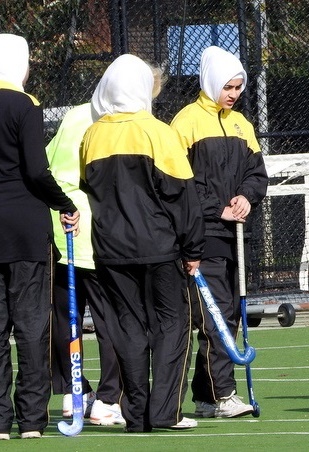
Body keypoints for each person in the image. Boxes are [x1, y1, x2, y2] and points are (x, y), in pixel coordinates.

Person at [0, 33, 79, 440]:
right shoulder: (24, 104)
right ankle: (32, 422)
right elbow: (37, 170)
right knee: (31, 325)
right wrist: (64, 205)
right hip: (25, 228)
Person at [79, 53, 205, 432]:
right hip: (159, 247)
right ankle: (165, 412)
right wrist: (193, 249)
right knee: (173, 323)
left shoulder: (93, 134)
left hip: (111, 251)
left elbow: (90, 188)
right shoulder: (158, 132)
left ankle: (136, 413)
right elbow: (183, 197)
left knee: (128, 327)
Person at [170, 46, 268, 418]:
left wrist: (246, 197)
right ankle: (225, 394)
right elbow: (181, 181)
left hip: (235, 237)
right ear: (211, 83)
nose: (234, 94)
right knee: (217, 314)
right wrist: (217, 208)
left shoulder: (243, 124)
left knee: (223, 313)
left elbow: (257, 174)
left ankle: (206, 396)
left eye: (239, 87)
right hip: (201, 233)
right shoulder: (185, 122)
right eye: (228, 86)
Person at [46, 103, 125, 426]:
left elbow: (47, 165)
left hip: (62, 231)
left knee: (66, 316)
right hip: (101, 237)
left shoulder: (73, 117)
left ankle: (72, 390)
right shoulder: (118, 121)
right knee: (115, 320)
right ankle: (107, 398)